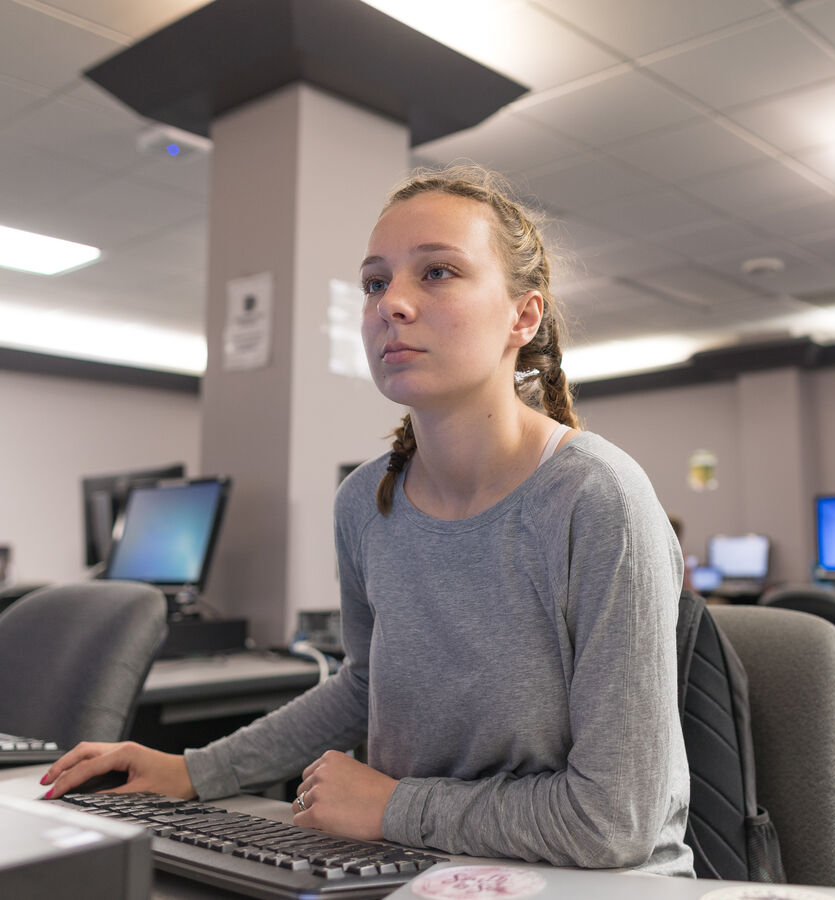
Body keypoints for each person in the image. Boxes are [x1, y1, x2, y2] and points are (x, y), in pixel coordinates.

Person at [41, 166, 695, 873]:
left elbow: (614, 821)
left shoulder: (597, 499)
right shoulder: (366, 504)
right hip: (417, 865)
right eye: (375, 283)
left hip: (591, 882)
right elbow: (362, 687)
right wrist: (194, 772)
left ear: (523, 316)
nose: (394, 305)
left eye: (438, 272)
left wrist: (390, 808)